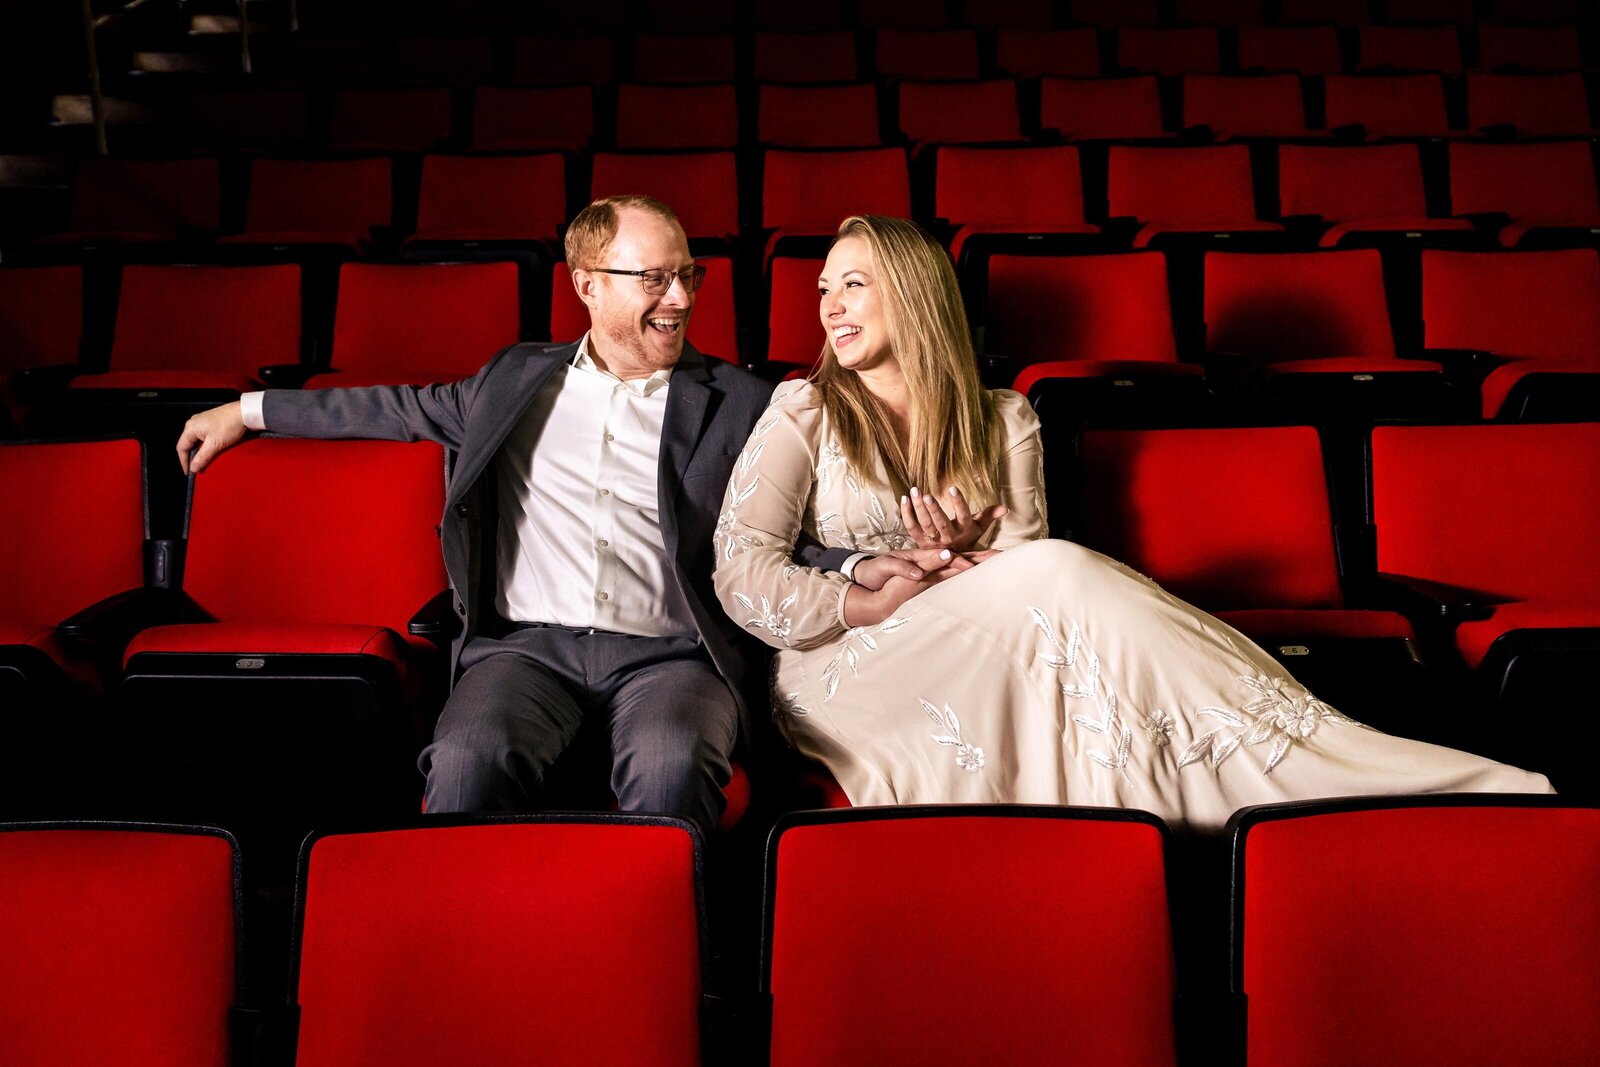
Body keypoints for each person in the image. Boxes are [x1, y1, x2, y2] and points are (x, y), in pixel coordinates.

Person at [711, 215, 1552, 830]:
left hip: (988, 638)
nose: (828, 304)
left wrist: (961, 555)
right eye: (823, 286)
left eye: (852, 282)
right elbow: (742, 569)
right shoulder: (806, 409)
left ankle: (1310, 765)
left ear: (914, 292)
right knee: (1065, 571)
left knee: (1060, 576)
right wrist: (869, 596)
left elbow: (1018, 573)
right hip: (849, 659)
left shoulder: (1004, 418)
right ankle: (1299, 770)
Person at [175, 195, 868, 837]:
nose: (681, 298)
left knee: (674, 766)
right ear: (588, 283)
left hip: (676, 657)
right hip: (527, 651)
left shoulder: (744, 402)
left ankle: (668, 955)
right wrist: (247, 409)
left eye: (690, 274)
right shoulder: (515, 379)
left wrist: (863, 566)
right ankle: (469, 949)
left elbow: (799, 532)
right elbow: (394, 408)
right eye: (654, 279)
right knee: (464, 762)